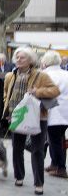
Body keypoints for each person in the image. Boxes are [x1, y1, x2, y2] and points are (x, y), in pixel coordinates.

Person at [2, 47, 59, 195]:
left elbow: (55, 91)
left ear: (31, 60)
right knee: (17, 148)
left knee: (37, 150)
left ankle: (38, 183)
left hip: (37, 116)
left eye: (22, 57)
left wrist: (37, 92)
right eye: (17, 57)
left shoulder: (41, 75)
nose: (19, 60)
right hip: (17, 115)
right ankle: (19, 176)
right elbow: (6, 93)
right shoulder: (11, 75)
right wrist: (8, 108)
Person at [40, 51, 68, 179]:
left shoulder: (45, 74)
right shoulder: (65, 73)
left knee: (54, 140)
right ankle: (54, 164)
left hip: (53, 111)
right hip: (65, 112)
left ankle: (61, 167)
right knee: (58, 138)